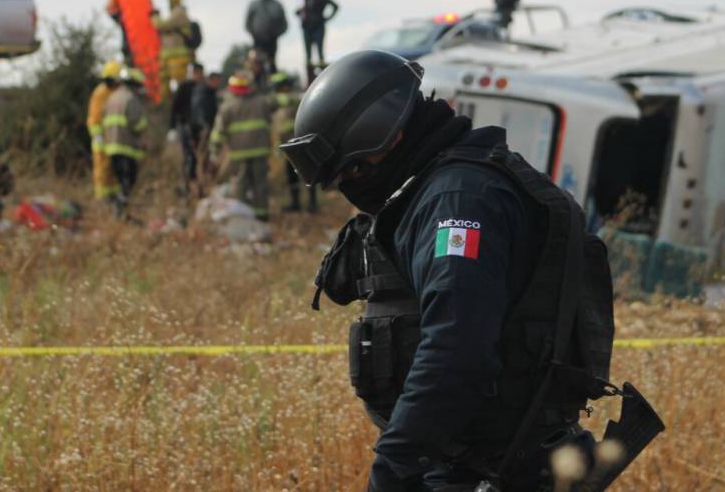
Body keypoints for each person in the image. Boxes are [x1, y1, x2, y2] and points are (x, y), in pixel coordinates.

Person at [280, 51, 661, 491]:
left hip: (494, 469)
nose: (351, 186)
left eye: (353, 170)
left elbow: (456, 346)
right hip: (474, 462)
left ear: (387, 138)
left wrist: (395, 465)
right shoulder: (438, 188)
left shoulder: (458, 200)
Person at [210, 72, 277, 221]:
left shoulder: (228, 106)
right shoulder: (261, 102)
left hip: (238, 153)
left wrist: (214, 150)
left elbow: (218, 131)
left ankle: (243, 216)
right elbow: (271, 116)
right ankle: (262, 215)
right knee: (260, 183)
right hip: (260, 151)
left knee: (240, 184)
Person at [106, 0, 162, 103]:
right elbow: (150, 13)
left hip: (130, 38)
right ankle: (144, 93)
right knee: (144, 68)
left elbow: (110, 8)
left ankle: (134, 90)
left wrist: (120, 19)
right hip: (141, 42)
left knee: (131, 66)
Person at [103, 68, 149, 218]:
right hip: (127, 147)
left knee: (119, 182)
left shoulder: (112, 97)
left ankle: (119, 212)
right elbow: (138, 125)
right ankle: (121, 214)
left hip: (111, 147)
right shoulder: (131, 99)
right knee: (128, 182)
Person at [271, 72, 317, 213]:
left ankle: (312, 204)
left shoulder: (293, 99)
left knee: (308, 176)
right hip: (289, 148)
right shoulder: (282, 105)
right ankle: (296, 204)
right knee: (292, 178)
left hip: (300, 146)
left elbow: (284, 101)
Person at [87, 61, 123, 202]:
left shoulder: (116, 92)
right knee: (102, 171)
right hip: (101, 139)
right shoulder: (100, 93)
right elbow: (94, 116)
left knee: (114, 170)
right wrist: (97, 136)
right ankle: (102, 199)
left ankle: (114, 198)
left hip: (114, 138)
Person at [170, 63, 205, 195]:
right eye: (196, 72)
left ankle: (199, 185)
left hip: (200, 129)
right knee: (188, 157)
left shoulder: (203, 88)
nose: (198, 75)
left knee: (200, 157)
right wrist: (172, 127)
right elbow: (175, 108)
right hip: (185, 126)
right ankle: (187, 185)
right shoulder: (184, 87)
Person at [154, 0, 194, 97]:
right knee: (164, 87)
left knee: (181, 87)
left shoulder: (179, 13)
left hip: (178, 59)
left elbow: (162, 26)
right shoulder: (175, 13)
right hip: (169, 58)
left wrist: (155, 16)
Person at [296, 0, 339, 77]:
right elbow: (297, 12)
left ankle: (323, 76)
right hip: (306, 27)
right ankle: (310, 79)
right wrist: (301, 12)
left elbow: (335, 6)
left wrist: (327, 18)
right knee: (308, 55)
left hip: (318, 26)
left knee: (320, 53)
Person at [245, 0, 288, 71]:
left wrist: (276, 34)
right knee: (257, 62)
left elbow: (284, 24)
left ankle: (272, 82)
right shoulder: (254, 4)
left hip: (272, 39)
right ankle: (257, 81)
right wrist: (254, 33)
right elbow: (247, 22)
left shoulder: (277, 5)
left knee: (271, 62)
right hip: (257, 39)